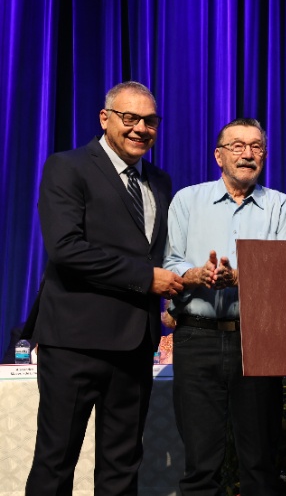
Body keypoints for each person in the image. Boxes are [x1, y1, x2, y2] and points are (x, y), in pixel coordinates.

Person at [26, 81, 183, 495]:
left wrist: (192, 275)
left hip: (134, 345)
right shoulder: (67, 166)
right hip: (75, 342)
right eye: (129, 118)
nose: (140, 129)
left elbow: (160, 252)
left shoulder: (161, 181)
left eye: (150, 121)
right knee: (56, 461)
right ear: (105, 118)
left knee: (122, 466)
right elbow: (65, 249)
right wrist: (146, 278)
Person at [163, 118, 286, 495]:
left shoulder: (282, 206)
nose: (248, 154)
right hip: (196, 338)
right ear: (218, 156)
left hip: (256, 340)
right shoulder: (187, 200)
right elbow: (170, 262)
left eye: (256, 147)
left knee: (260, 463)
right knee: (200, 464)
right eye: (237, 146)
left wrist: (242, 280)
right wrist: (195, 274)